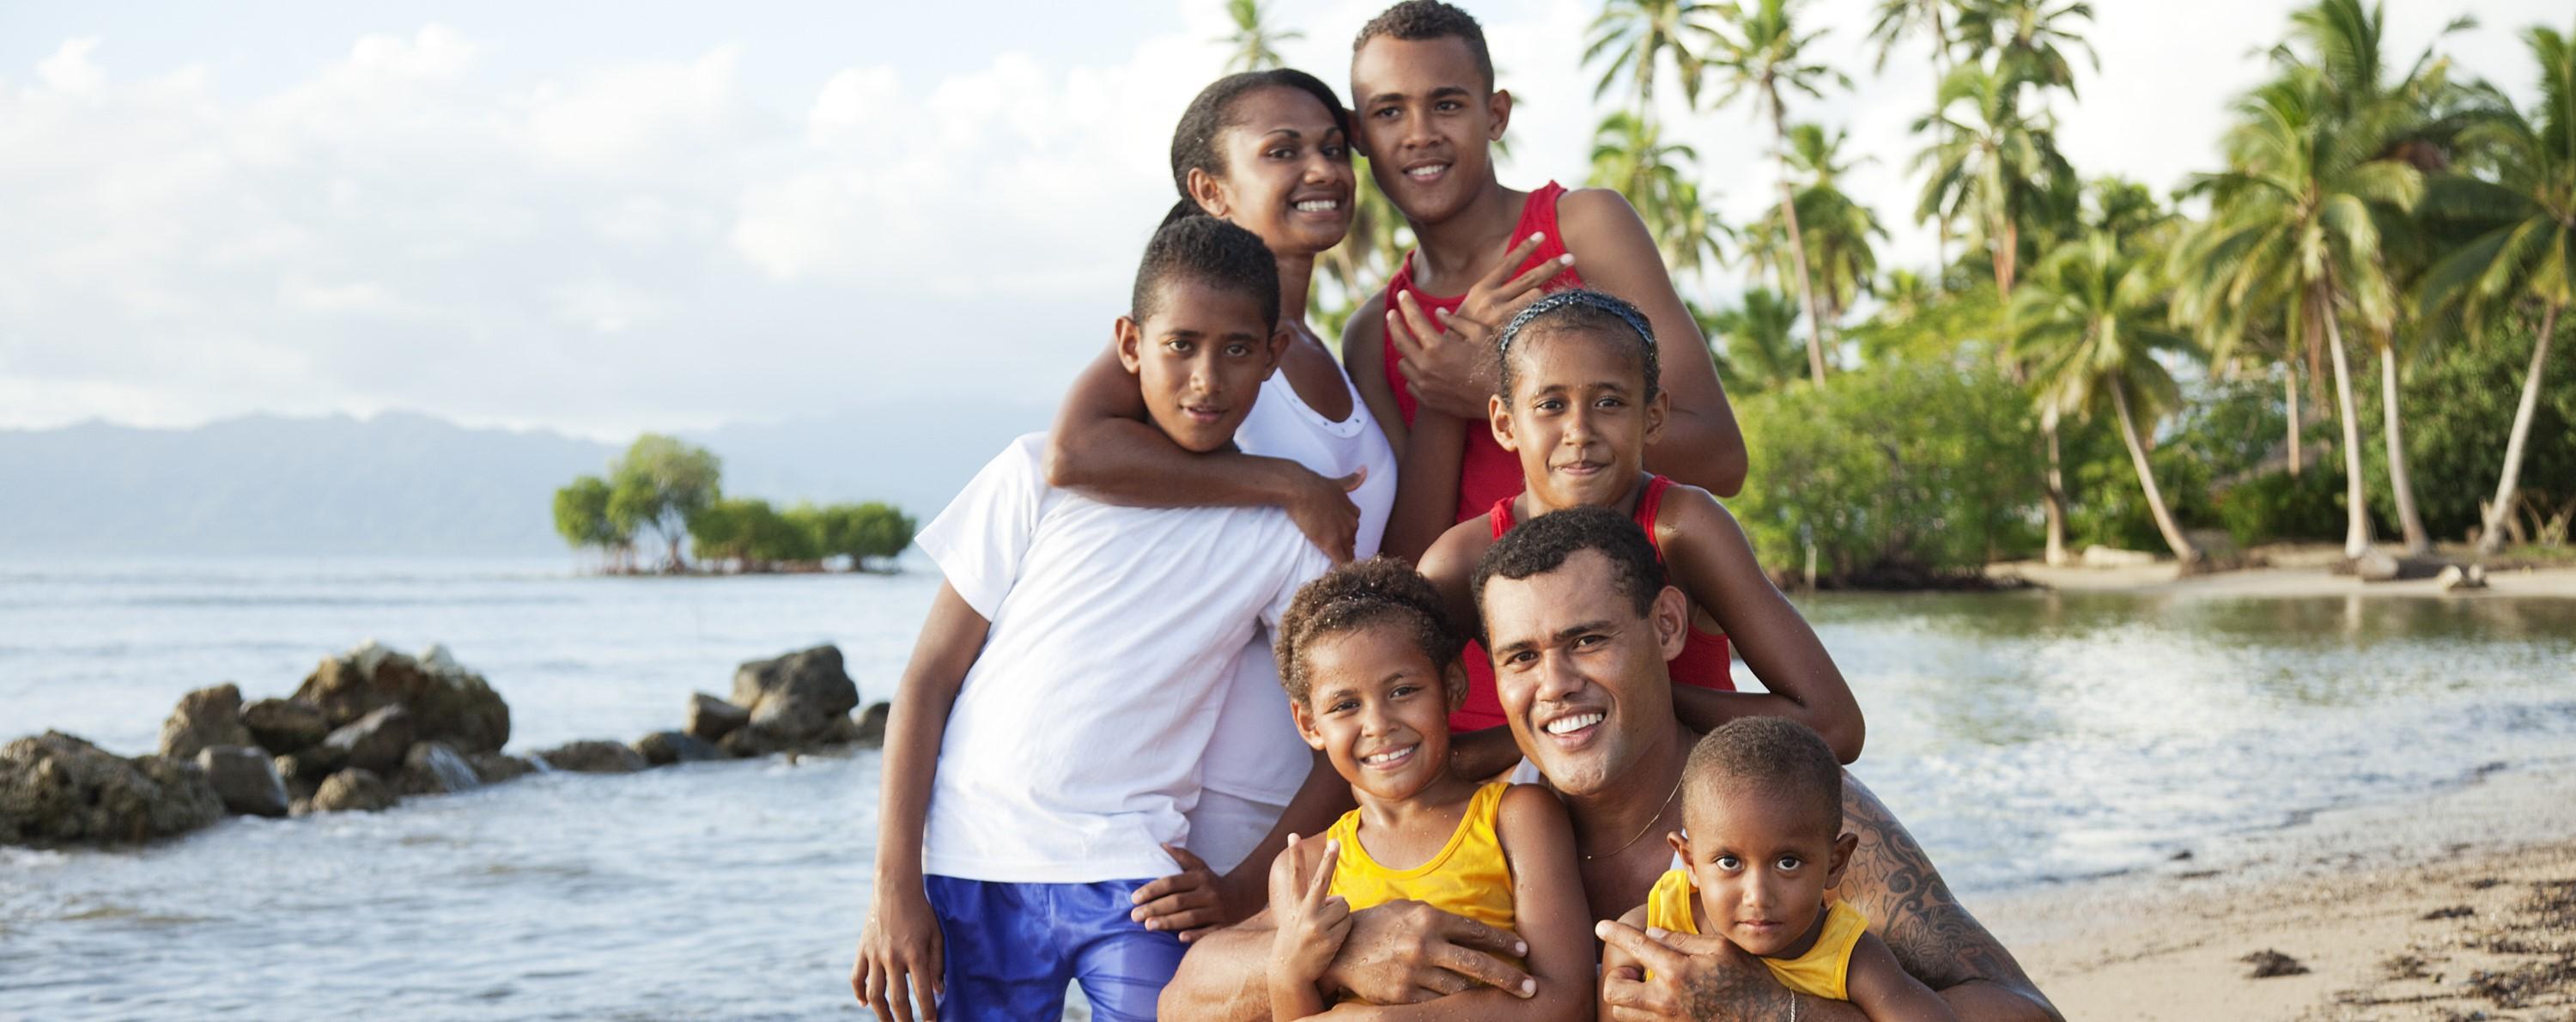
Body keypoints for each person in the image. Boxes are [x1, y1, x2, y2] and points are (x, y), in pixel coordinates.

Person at [1159, 509, 2062, 1021]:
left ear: (1665, 628)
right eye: (1519, 656)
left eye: (1587, 640)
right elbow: (1182, 997)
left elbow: (2029, 1014)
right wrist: (1347, 946)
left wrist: (1771, 1010)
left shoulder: (1764, 810)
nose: (1554, 684)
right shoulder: (1482, 819)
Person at [849, 216, 1335, 1022]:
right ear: (1130, 343)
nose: (1206, 379)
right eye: (1180, 344)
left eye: (1237, 350)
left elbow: (1345, 714)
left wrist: (1245, 885)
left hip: (1137, 877)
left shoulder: (1283, 532)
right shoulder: (1032, 477)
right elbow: (928, 680)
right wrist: (893, 886)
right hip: (974, 865)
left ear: (1275, 353)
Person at [1040, 69, 1400, 940]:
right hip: (1220, 802)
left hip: (1333, 775)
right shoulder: (1197, 359)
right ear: (1211, 190)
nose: (1321, 168)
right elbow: (1073, 450)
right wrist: (1282, 482)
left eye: (1330, 147)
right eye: (1282, 151)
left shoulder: (1333, 346)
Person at [1337, 0, 1747, 562]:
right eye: (1389, 112)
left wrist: (1488, 390)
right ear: (1358, 133)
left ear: (1496, 114)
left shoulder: (1583, 229)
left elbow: (1720, 458)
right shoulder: (1376, 330)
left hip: (1636, 627)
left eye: (1447, 104)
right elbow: (1413, 564)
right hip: (1492, 644)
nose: (1420, 133)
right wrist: (1443, 399)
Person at [1417, 290, 1861, 764]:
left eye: (1609, 402)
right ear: (1505, 423)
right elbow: (1386, 735)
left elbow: (1834, 727)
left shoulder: (1681, 530)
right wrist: (1545, 739)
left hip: (1686, 810)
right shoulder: (1464, 558)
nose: (1579, 430)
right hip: (1529, 818)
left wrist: (1645, 698)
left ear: (1653, 418)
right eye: (1550, 405)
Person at [1263, 557, 1591, 1018]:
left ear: (1452, 684)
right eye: (1345, 705)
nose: (1378, 724)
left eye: (1402, 691)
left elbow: (1567, 1000)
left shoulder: (1514, 818)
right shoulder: (1303, 870)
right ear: (1308, 723)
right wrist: (1288, 974)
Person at [1606, 718, 1953, 1019]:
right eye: (1729, 862)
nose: (1758, 896)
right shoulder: (1646, 934)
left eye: (1788, 863)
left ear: (1836, 862)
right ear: (1690, 861)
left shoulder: (1848, 956)